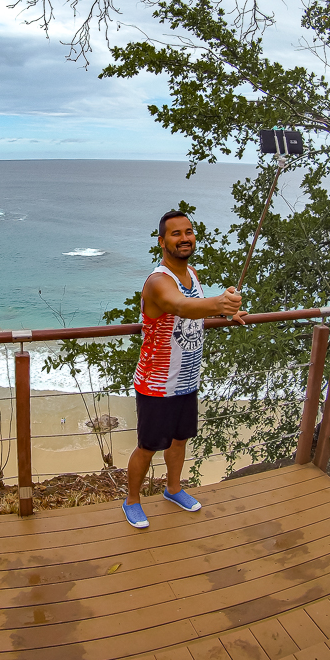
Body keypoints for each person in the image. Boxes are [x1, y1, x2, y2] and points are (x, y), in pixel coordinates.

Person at [122, 210, 244, 529]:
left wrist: (223, 314)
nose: (184, 238)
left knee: (180, 440)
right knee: (148, 446)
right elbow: (179, 306)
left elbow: (193, 311)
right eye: (176, 233)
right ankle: (132, 500)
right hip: (157, 383)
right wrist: (219, 303)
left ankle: (173, 489)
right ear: (162, 242)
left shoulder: (192, 274)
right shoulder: (158, 282)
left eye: (188, 232)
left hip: (187, 379)